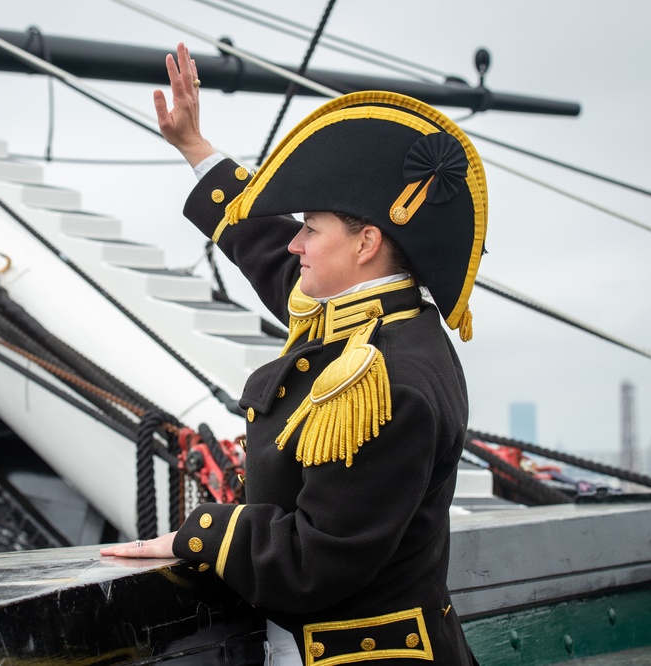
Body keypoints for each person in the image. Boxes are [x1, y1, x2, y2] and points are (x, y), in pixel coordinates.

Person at [101, 43, 486, 665]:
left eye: (311, 229)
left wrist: (200, 533)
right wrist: (195, 147)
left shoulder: (385, 377)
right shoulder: (377, 321)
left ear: (366, 243)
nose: (297, 244)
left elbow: (316, 562)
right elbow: (268, 250)